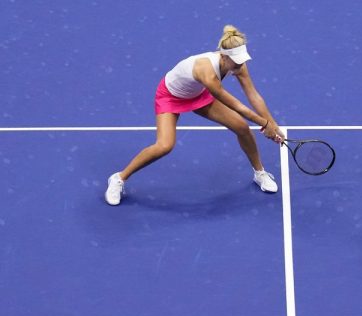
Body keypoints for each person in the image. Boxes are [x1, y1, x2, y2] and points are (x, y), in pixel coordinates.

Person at [105, 25, 284, 206]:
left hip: (198, 94)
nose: (239, 65)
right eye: (235, 61)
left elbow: (253, 95)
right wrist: (264, 124)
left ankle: (259, 173)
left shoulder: (238, 65)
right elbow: (236, 105)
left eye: (241, 60)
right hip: (170, 96)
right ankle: (119, 178)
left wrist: (272, 124)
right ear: (223, 56)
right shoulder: (205, 71)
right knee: (164, 145)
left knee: (242, 127)